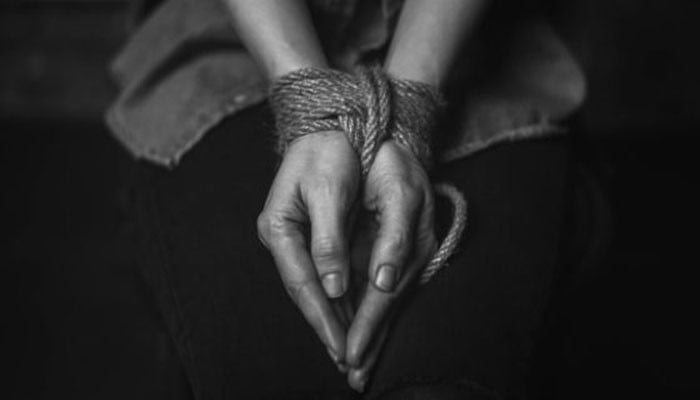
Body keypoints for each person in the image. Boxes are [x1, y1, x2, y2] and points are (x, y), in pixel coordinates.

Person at [108, 0, 586, 398]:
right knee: (272, 366)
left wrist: (408, 110)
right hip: (238, 42)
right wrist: (309, 106)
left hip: (468, 52)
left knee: (438, 383)